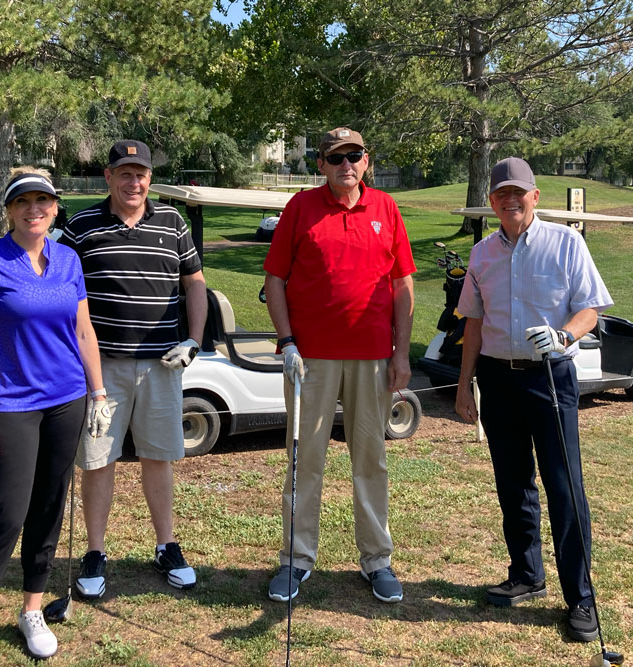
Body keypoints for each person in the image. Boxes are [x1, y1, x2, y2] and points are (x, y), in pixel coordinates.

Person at [0, 168, 111, 667]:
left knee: (49, 509)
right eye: (23, 202)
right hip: (10, 406)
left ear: (55, 208)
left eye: (43, 200)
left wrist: (98, 393)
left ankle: (32, 608)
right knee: (5, 518)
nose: (34, 209)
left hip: (66, 400)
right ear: (9, 210)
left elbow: (83, 331)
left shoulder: (68, 259)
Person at [453, 157, 613, 642]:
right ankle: (526, 574)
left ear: (534, 196)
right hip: (498, 379)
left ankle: (580, 598)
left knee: (564, 486)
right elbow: (474, 323)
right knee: (513, 481)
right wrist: (464, 385)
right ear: (493, 201)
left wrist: (564, 336)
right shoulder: (481, 254)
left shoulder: (567, 243)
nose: (509, 200)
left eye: (518, 192)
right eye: (501, 193)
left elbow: (591, 307)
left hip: (550, 377)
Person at [262, 127, 416, 603]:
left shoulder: (386, 209)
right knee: (304, 460)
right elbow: (276, 277)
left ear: (366, 161)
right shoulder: (300, 209)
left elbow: (403, 286)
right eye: (335, 158)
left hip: (372, 357)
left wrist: (402, 353)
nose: (346, 165)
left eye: (354, 156)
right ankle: (296, 558)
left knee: (370, 460)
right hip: (310, 360)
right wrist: (286, 341)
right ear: (322, 165)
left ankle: (377, 560)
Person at [58, 139, 207, 597]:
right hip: (102, 369)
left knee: (158, 458)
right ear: (108, 177)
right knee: (99, 460)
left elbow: (195, 284)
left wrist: (194, 341)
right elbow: (56, 283)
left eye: (141, 173)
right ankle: (95, 552)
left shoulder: (173, 222)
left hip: (163, 364)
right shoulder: (82, 226)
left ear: (149, 178)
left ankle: (166, 545)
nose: (134, 181)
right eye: (124, 173)